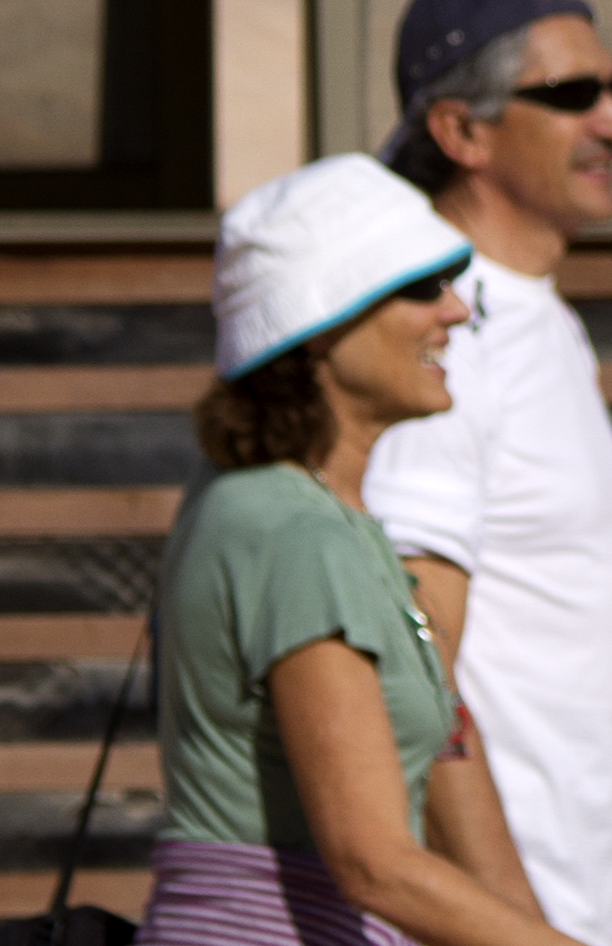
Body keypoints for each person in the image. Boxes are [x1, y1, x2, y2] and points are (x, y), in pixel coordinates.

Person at [140, 153, 583, 946]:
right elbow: (374, 864)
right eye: (419, 287)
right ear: (315, 328)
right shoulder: (294, 531)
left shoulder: (297, 512)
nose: (455, 311)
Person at [364, 0, 612, 946]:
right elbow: (413, 667)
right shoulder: (447, 331)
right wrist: (517, 925)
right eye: (572, 94)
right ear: (461, 130)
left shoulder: (536, 320)